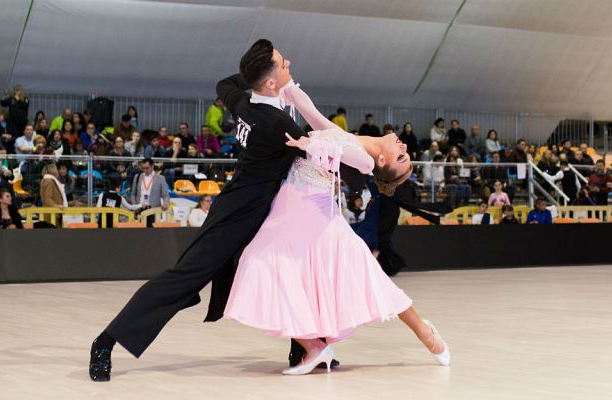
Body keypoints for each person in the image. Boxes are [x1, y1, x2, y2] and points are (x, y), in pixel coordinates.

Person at [90, 40, 331, 381]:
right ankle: (105, 342)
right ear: (272, 82)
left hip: (266, 211)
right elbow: (320, 147)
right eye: (281, 63)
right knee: (184, 277)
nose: (289, 61)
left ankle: (305, 346)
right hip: (238, 216)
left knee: (289, 273)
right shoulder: (277, 124)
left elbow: (225, 85)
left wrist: (253, 72)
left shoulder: (245, 103)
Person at [225, 80, 448, 376]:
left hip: (304, 209)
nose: (404, 147)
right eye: (405, 154)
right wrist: (289, 88)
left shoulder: (367, 160)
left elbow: (344, 153)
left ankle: (320, 347)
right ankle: (323, 346)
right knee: (353, 276)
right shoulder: (359, 140)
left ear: (382, 161)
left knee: (263, 265)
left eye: (401, 157)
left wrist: (310, 143)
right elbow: (315, 117)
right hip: (301, 207)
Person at [130, 158, 169, 227]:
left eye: (147, 168)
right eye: (143, 168)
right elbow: (133, 194)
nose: (145, 170)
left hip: (154, 210)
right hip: (139, 209)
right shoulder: (137, 177)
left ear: (152, 166)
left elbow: (165, 195)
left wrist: (165, 203)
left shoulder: (161, 178)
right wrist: (134, 206)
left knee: (153, 233)